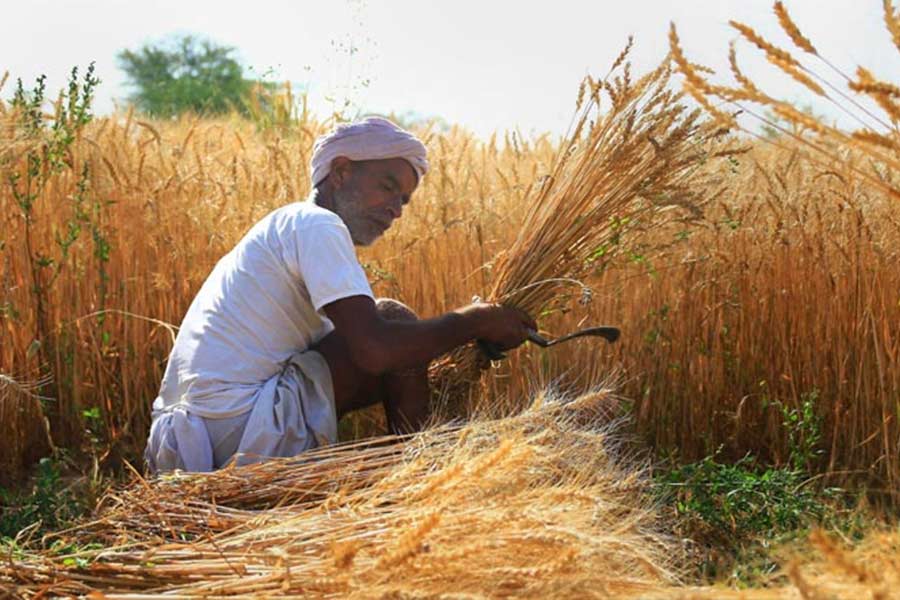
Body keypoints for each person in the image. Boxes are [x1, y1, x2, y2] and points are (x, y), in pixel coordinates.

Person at [144, 117, 535, 473]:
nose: (396, 209)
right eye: (388, 186)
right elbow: (375, 350)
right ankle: (416, 483)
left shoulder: (287, 226)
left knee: (386, 330)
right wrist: (477, 320)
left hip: (180, 446)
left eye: (404, 200)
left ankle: (412, 477)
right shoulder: (318, 224)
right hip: (238, 429)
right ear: (342, 171)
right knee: (392, 320)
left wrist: (458, 340)